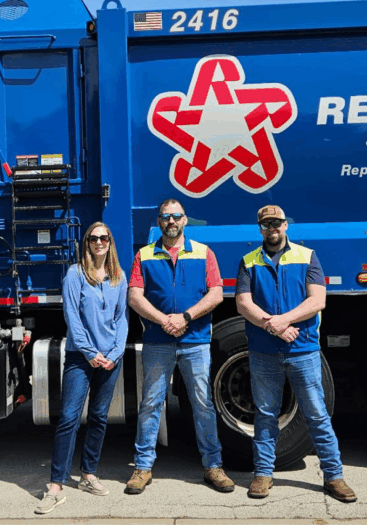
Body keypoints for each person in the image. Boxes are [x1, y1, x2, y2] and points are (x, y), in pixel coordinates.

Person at [234, 205, 356, 502]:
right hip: (264, 351)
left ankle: (334, 476)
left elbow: (317, 300)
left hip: (303, 350)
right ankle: (263, 474)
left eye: (277, 222)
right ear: (260, 229)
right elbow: (243, 303)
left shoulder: (307, 256)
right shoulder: (249, 261)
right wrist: (274, 326)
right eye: (266, 224)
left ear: (286, 225)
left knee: (316, 414)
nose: (272, 228)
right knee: (266, 415)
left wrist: (283, 321)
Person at [125, 198, 234, 495]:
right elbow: (134, 296)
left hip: (195, 341)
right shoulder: (144, 255)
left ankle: (213, 466)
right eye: (165, 217)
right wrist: (164, 320)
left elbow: (216, 293)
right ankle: (142, 467)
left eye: (176, 216)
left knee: (203, 404)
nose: (171, 221)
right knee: (150, 404)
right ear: (159, 221)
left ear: (185, 220)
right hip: (158, 341)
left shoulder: (204, 252)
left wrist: (185, 317)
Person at [35, 222, 129, 514]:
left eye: (104, 237)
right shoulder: (75, 274)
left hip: (110, 359)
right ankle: (56, 487)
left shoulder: (118, 277)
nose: (99, 242)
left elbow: (122, 318)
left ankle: (88, 475)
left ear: (110, 242)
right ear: (86, 243)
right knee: (69, 418)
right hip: (80, 357)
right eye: (93, 238)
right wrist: (89, 352)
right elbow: (72, 317)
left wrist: (114, 353)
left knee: (99, 417)